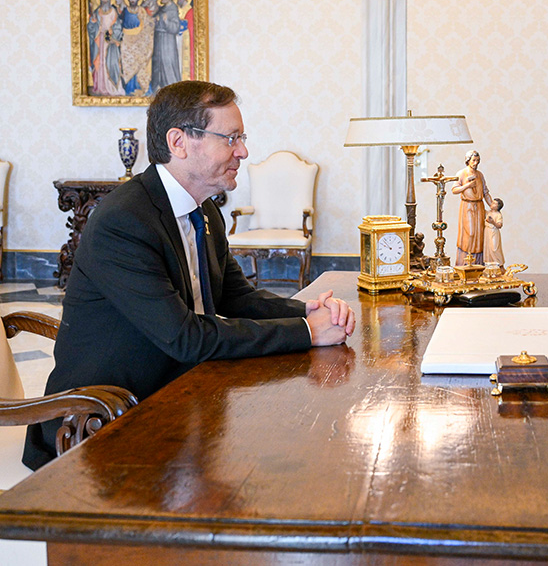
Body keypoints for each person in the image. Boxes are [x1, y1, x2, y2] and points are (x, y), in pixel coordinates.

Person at [23, 81, 355, 470]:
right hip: (102, 422)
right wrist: (309, 332)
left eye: (241, 137)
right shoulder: (124, 222)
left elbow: (237, 297)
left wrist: (308, 310)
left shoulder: (205, 210)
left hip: (180, 395)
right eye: (231, 138)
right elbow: (187, 338)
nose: (243, 151)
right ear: (179, 142)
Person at [451, 150, 492, 265]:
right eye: (474, 160)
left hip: (479, 206)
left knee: (479, 234)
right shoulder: (462, 173)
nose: (476, 163)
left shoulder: (480, 175)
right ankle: (465, 262)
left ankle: (477, 263)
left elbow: (485, 192)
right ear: (468, 160)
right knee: (470, 232)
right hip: (467, 205)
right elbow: (454, 190)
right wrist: (468, 185)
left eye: (478, 160)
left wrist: (493, 206)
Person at [484, 197, 504, 268]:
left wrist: (493, 222)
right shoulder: (488, 212)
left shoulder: (498, 214)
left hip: (494, 232)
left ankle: (499, 264)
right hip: (487, 231)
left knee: (494, 248)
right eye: (492, 202)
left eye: (494, 203)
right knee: (488, 248)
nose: (492, 204)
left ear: (498, 206)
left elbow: (499, 225)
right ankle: (489, 265)